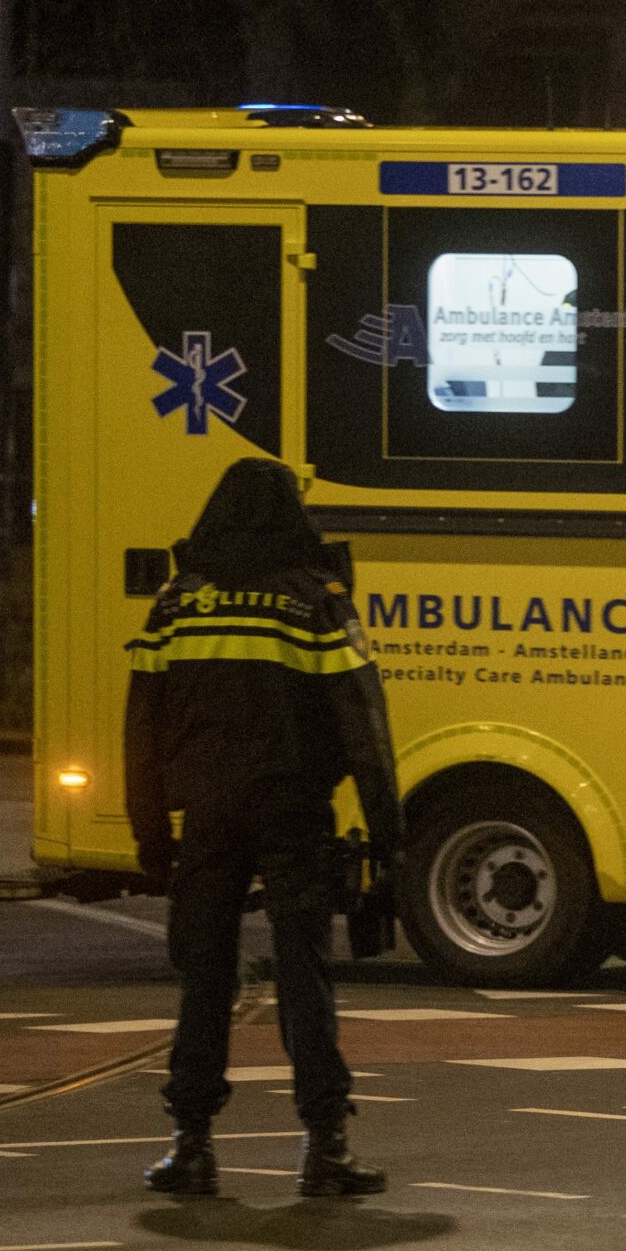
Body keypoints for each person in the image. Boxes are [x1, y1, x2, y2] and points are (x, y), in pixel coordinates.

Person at [126, 459, 401, 1197]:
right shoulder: (313, 601)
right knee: (304, 972)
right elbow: (363, 723)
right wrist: (388, 834)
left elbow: (142, 723)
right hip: (292, 810)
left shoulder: (178, 604)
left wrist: (149, 828)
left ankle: (190, 1147)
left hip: (210, 814)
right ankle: (325, 1149)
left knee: (205, 975)